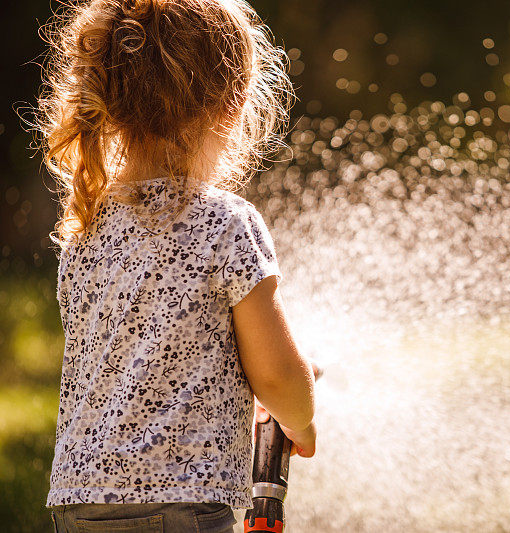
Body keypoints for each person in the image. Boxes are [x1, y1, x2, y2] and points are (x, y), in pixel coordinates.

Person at [36, 0, 316, 531]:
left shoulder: (85, 231)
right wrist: (301, 421)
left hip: (78, 501)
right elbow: (278, 376)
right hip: (180, 501)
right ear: (232, 106)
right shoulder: (226, 222)